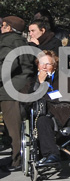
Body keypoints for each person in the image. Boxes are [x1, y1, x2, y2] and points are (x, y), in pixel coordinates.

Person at [32, 50, 70, 166]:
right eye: (41, 63)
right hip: (48, 115)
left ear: (54, 66)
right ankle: (51, 154)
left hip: (69, 112)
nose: (44, 67)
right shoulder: (32, 81)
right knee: (42, 121)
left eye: (48, 64)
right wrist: (39, 83)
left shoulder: (65, 79)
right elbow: (27, 100)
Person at [0, 16, 35, 171]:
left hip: (10, 89)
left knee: (12, 127)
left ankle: (16, 160)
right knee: (14, 125)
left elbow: (9, 64)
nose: (1, 27)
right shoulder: (19, 40)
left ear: (9, 28)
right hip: (20, 85)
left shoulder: (8, 40)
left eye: (3, 25)